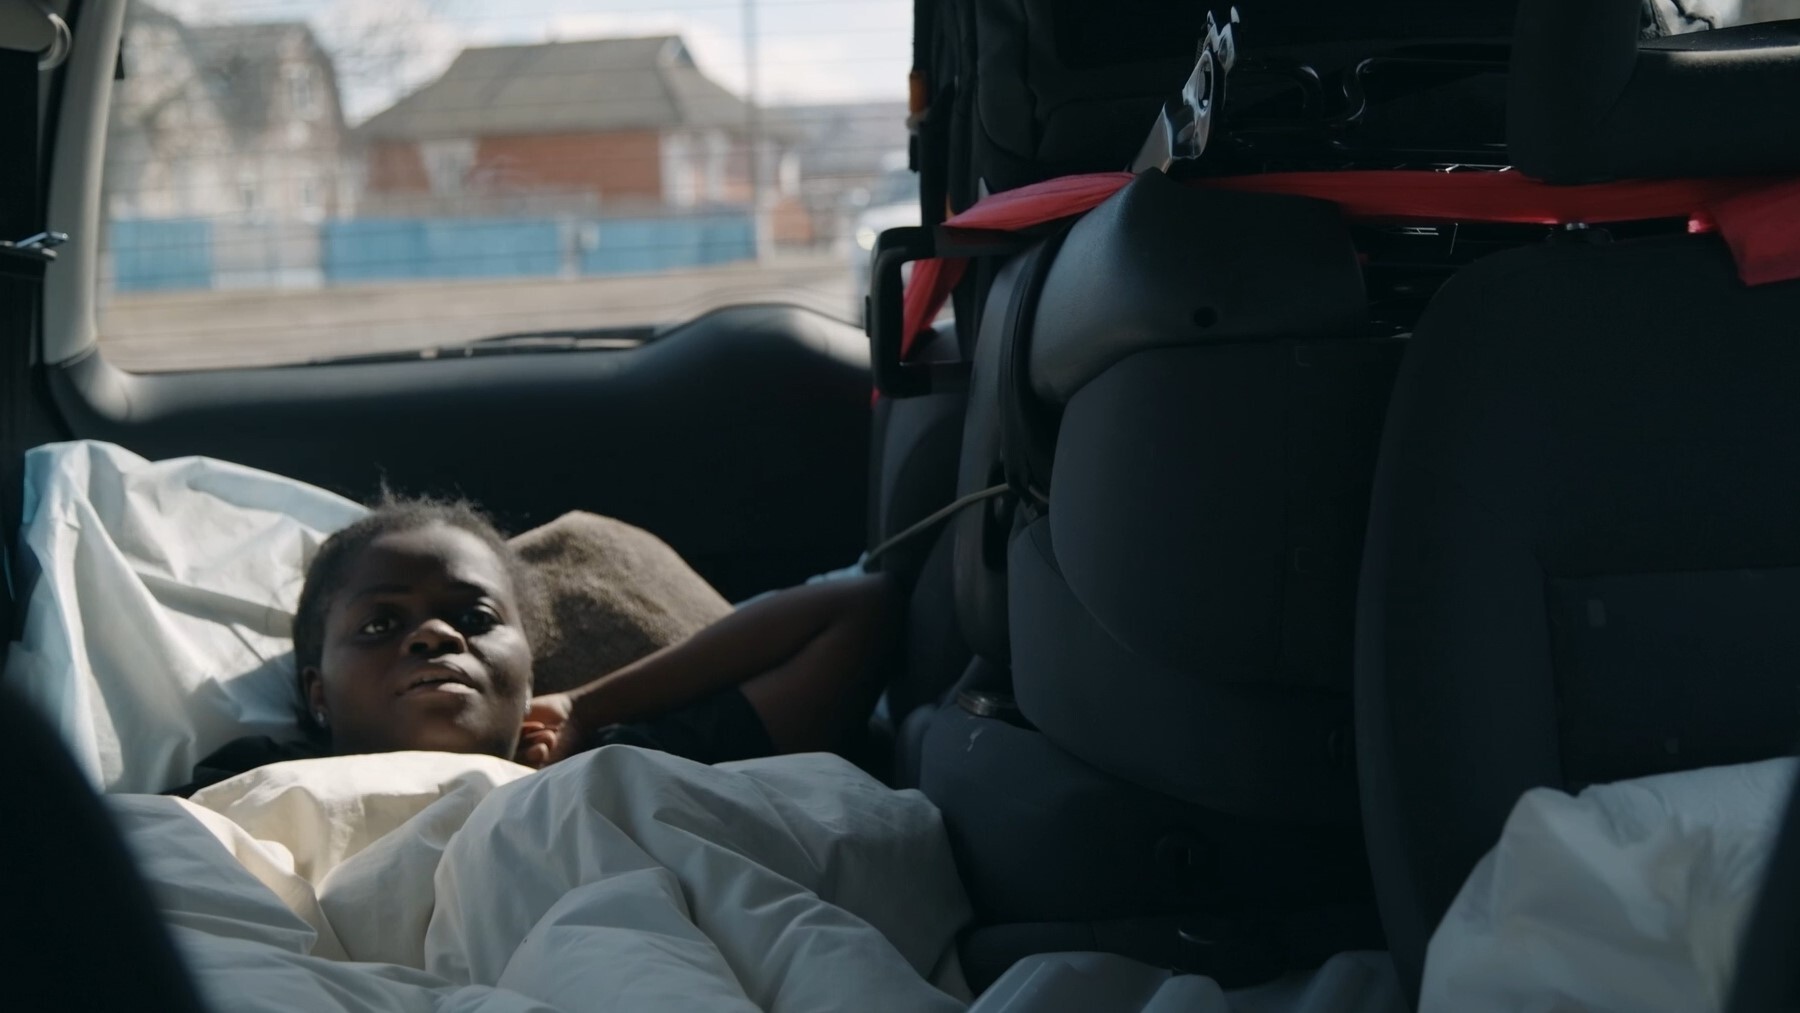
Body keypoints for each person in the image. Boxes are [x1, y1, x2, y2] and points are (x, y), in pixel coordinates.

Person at [170, 496, 898, 795]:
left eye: (475, 617)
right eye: (380, 625)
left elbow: (856, 613)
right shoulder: (256, 779)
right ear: (318, 693)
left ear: (526, 674)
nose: (436, 634)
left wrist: (586, 706)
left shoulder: (615, 765)